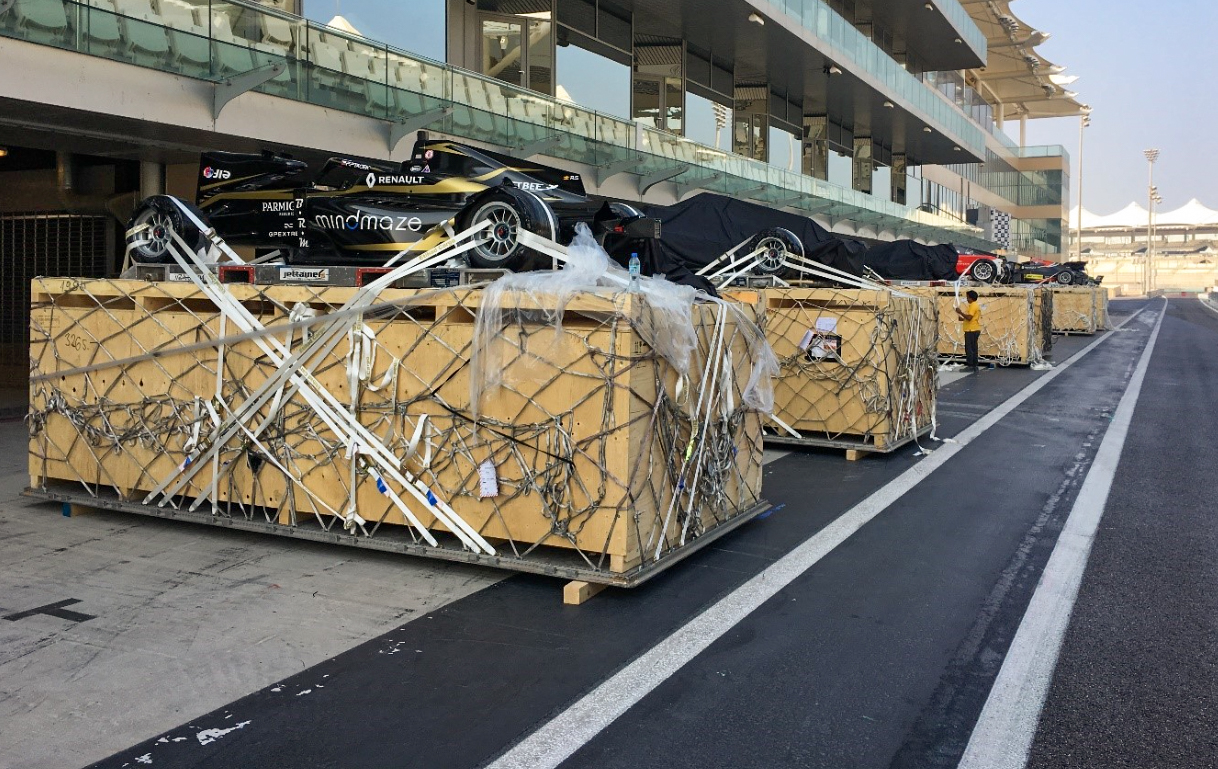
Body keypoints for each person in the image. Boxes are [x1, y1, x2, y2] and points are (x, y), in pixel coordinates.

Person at [955, 290, 982, 372]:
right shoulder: (974, 305)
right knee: (974, 348)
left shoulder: (973, 306)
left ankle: (970, 365)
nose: (967, 299)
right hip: (974, 329)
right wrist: (963, 319)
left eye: (967, 297)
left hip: (971, 330)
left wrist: (960, 312)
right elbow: (971, 318)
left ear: (971, 298)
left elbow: (969, 318)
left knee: (969, 348)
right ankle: (974, 365)